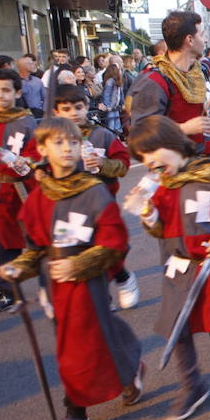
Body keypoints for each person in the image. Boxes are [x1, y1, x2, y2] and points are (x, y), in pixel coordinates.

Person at [0, 117, 144, 420]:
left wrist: (79, 264)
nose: (67, 149)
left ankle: (75, 414)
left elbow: (114, 243)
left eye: (73, 143)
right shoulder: (38, 197)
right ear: (43, 149)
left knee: (73, 349)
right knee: (97, 335)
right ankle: (130, 368)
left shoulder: (93, 193)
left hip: (87, 282)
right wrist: (18, 269)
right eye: (59, 143)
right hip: (54, 286)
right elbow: (36, 248)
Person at [125, 115, 210, 420]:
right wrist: (148, 213)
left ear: (171, 143)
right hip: (178, 268)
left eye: (152, 154)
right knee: (177, 328)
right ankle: (192, 386)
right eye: (143, 159)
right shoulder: (161, 186)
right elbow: (161, 229)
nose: (149, 163)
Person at [51, 83, 141, 308]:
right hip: (68, 207)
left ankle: (122, 277)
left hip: (102, 205)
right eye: (66, 109)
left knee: (110, 246)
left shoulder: (102, 135)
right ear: (56, 112)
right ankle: (102, 296)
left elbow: (122, 165)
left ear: (87, 107)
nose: (73, 113)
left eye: (78, 107)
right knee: (78, 249)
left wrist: (103, 164)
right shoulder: (50, 139)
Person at [130, 10, 210, 156]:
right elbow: (140, 135)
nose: (205, 40)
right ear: (190, 40)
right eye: (202, 34)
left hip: (207, 162)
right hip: (179, 170)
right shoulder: (153, 82)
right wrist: (183, 129)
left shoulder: (196, 71)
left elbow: (208, 107)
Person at [0, 68, 37, 314]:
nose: (0, 96)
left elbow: (35, 152)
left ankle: (56, 285)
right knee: (6, 242)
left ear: (17, 92)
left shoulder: (26, 121)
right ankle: (8, 291)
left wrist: (27, 161)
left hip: (25, 189)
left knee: (40, 238)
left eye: (6, 90)